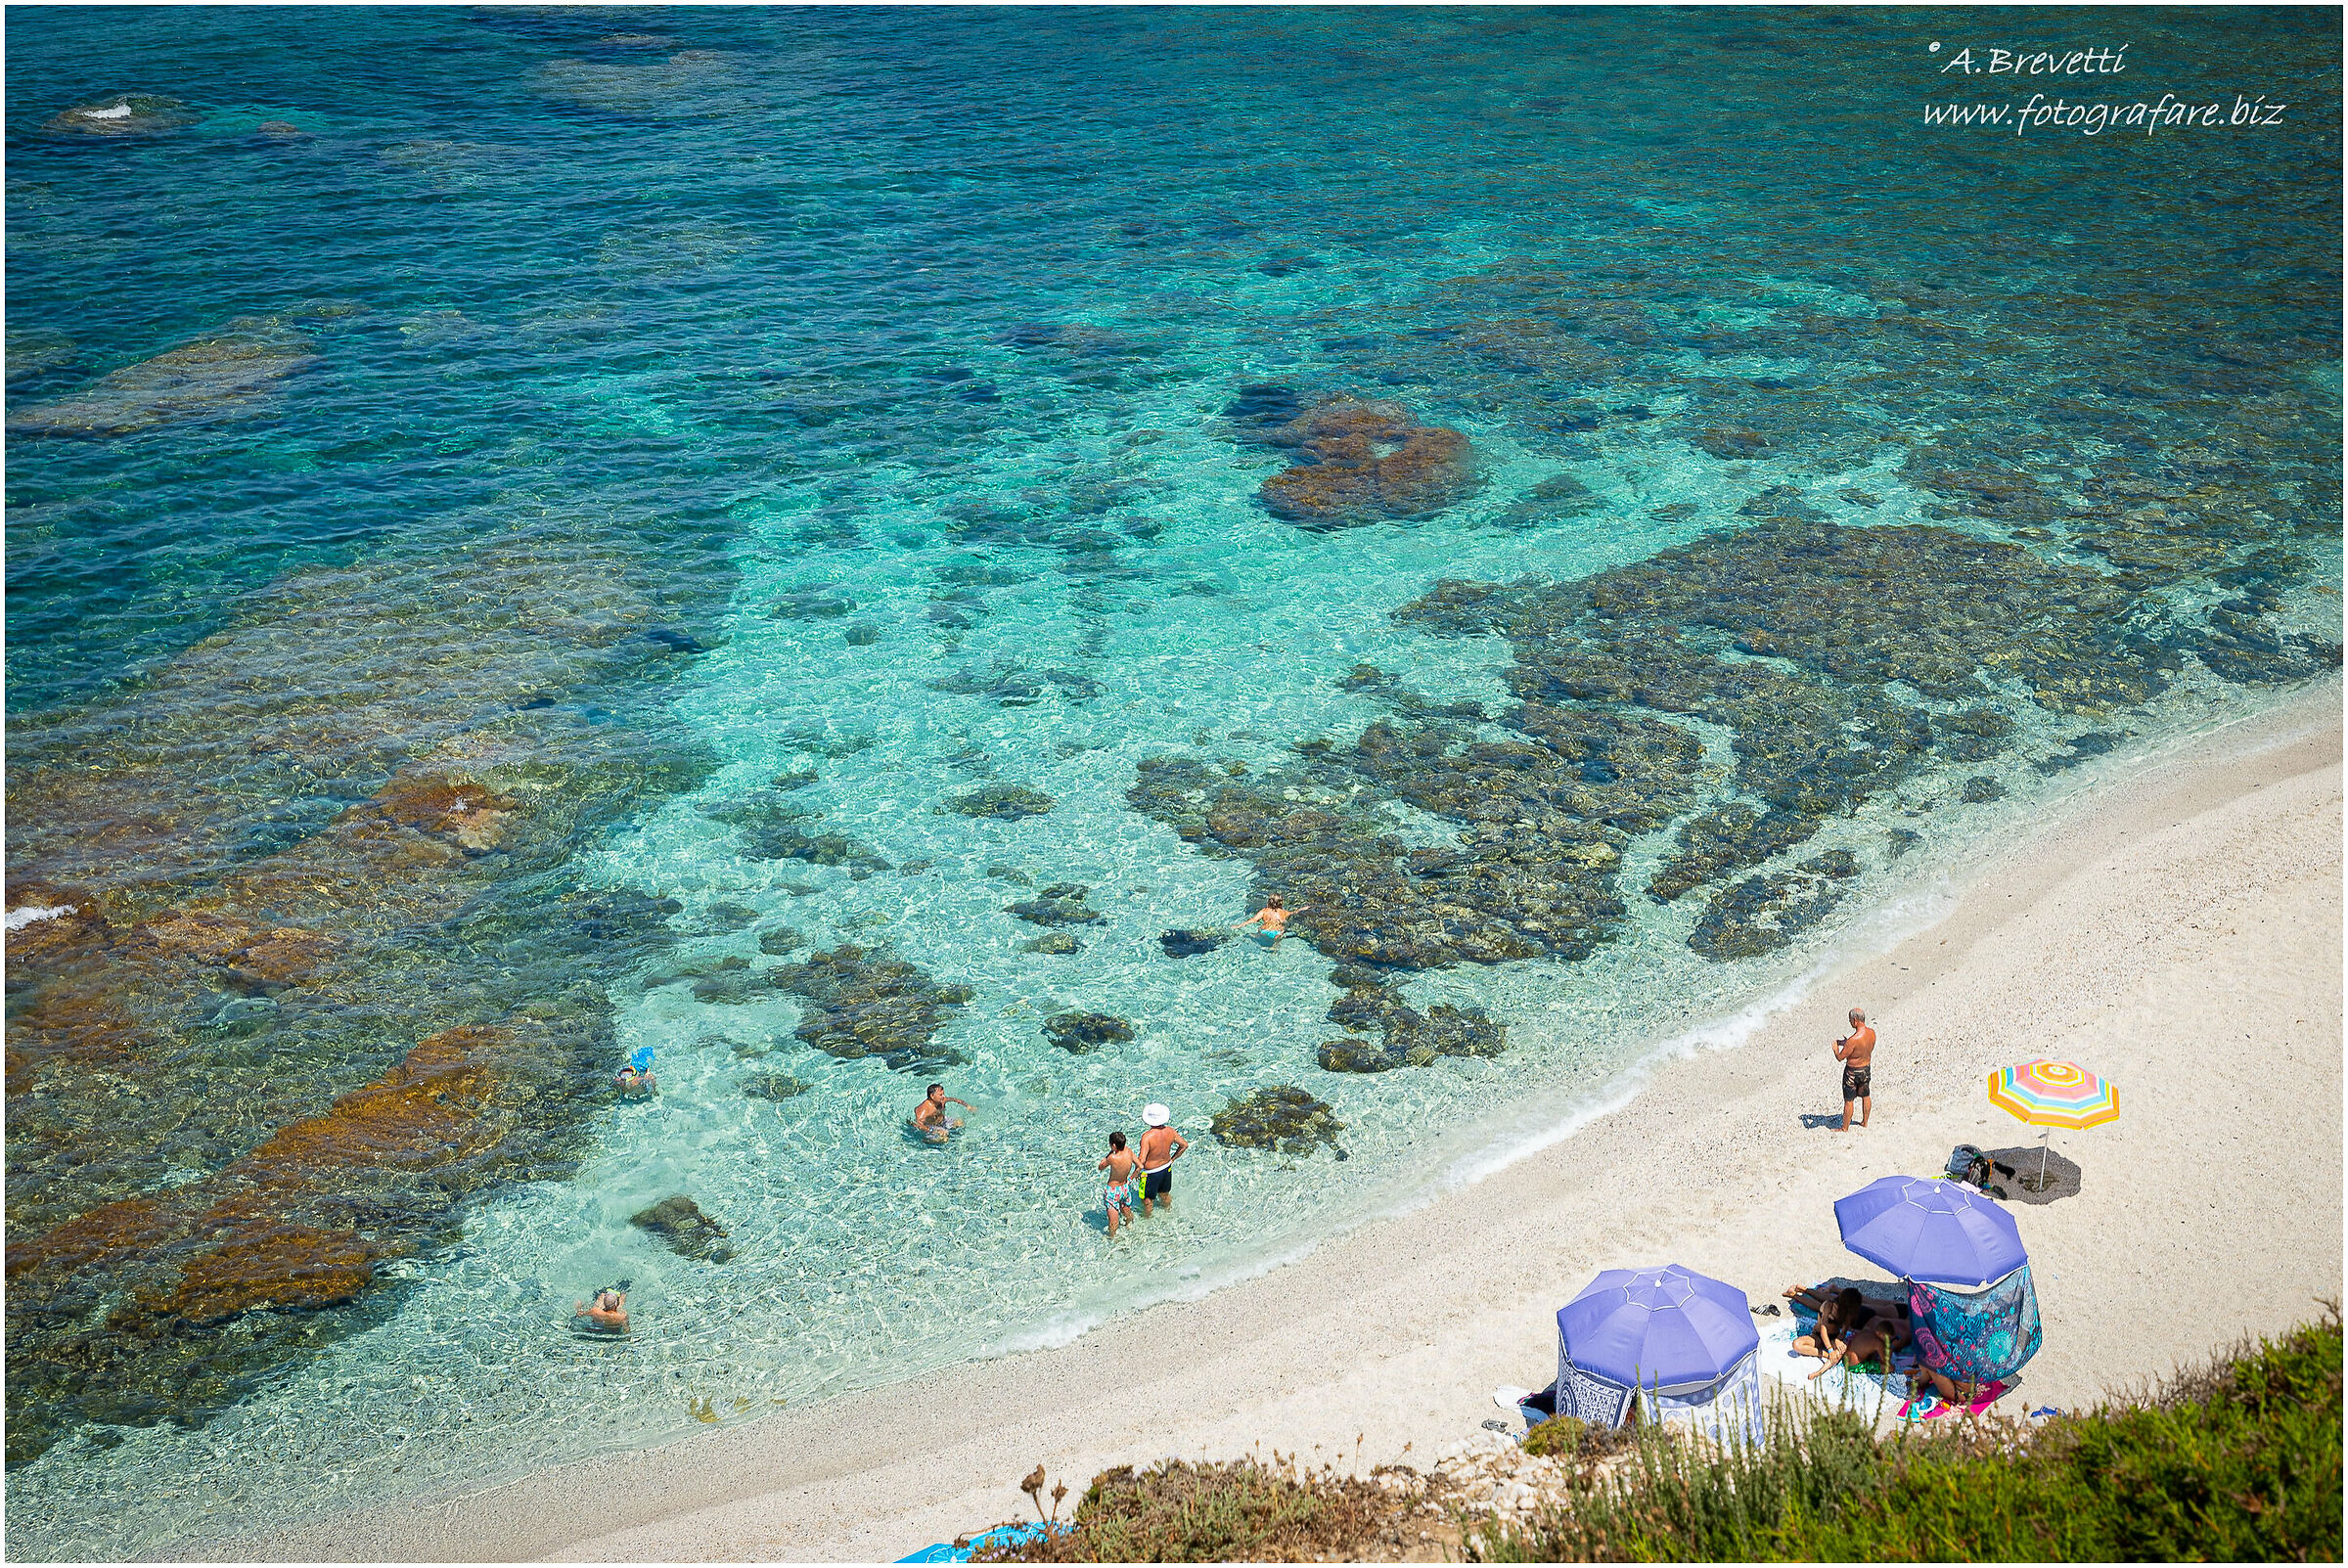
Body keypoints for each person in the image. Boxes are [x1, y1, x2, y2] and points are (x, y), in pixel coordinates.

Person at [1136, 1103, 1188, 1216]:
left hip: (1150, 1173)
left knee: (1147, 1200)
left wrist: (1135, 1173)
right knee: (1164, 1195)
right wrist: (1173, 1159)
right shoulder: (1170, 1131)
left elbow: (1142, 1160)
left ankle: (1146, 1220)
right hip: (1166, 1169)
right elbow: (1184, 1145)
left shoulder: (1147, 1137)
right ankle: (1169, 1213)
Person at [1834, 1008, 1875, 1131]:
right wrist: (1847, 1043)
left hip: (1852, 1072)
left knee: (1849, 1100)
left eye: (1850, 1020)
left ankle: (1845, 1128)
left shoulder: (1853, 1040)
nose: (1850, 1022)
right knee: (1866, 1095)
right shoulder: (1872, 1033)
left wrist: (1835, 1048)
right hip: (1865, 1069)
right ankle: (1865, 1122)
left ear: (1855, 1020)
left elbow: (1840, 1057)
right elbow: (1863, 1047)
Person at [1098, 1130, 1141, 1237]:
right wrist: (1131, 1178)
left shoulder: (1112, 1158)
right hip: (1125, 1188)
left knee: (1113, 1222)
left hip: (1113, 1191)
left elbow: (1100, 1167)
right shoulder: (1129, 1152)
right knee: (1127, 1212)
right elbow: (1140, 1166)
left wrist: (1110, 1153)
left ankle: (1112, 1239)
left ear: (1113, 1145)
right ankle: (1130, 1228)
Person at [1233, 894, 1309, 948]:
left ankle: (1244, 937)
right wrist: (1304, 908)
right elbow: (1295, 912)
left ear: (1269, 902)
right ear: (1281, 903)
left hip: (1264, 931)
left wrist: (1239, 926)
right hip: (1276, 933)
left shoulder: (1264, 911)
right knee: (1278, 939)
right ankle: (1275, 948)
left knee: (1253, 935)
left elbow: (1253, 920)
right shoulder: (1284, 912)